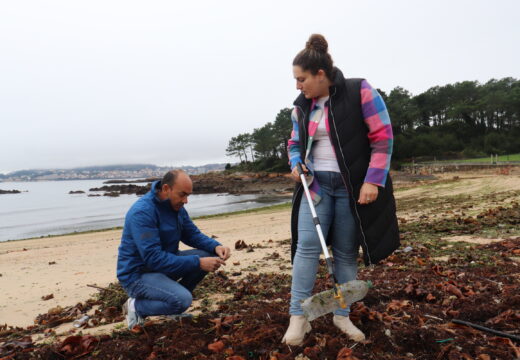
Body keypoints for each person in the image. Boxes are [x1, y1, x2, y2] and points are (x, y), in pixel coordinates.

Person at [282, 34, 400, 345]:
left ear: (320, 74)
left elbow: (383, 138)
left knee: (346, 254)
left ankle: (341, 316)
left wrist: (373, 180)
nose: (298, 86)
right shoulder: (300, 108)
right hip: (315, 186)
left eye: (301, 79)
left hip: (350, 188)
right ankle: (299, 317)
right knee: (306, 248)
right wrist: (296, 163)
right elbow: (294, 144)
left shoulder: (359, 90)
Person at [116, 169, 231, 329]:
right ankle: (135, 307)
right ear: (165, 189)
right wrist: (197, 263)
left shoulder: (176, 206)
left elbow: (192, 234)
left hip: (162, 267)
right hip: (137, 275)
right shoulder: (142, 212)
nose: (185, 201)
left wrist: (216, 246)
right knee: (182, 300)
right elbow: (153, 258)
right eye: (182, 194)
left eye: (188, 196)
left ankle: (170, 300)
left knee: (209, 254)